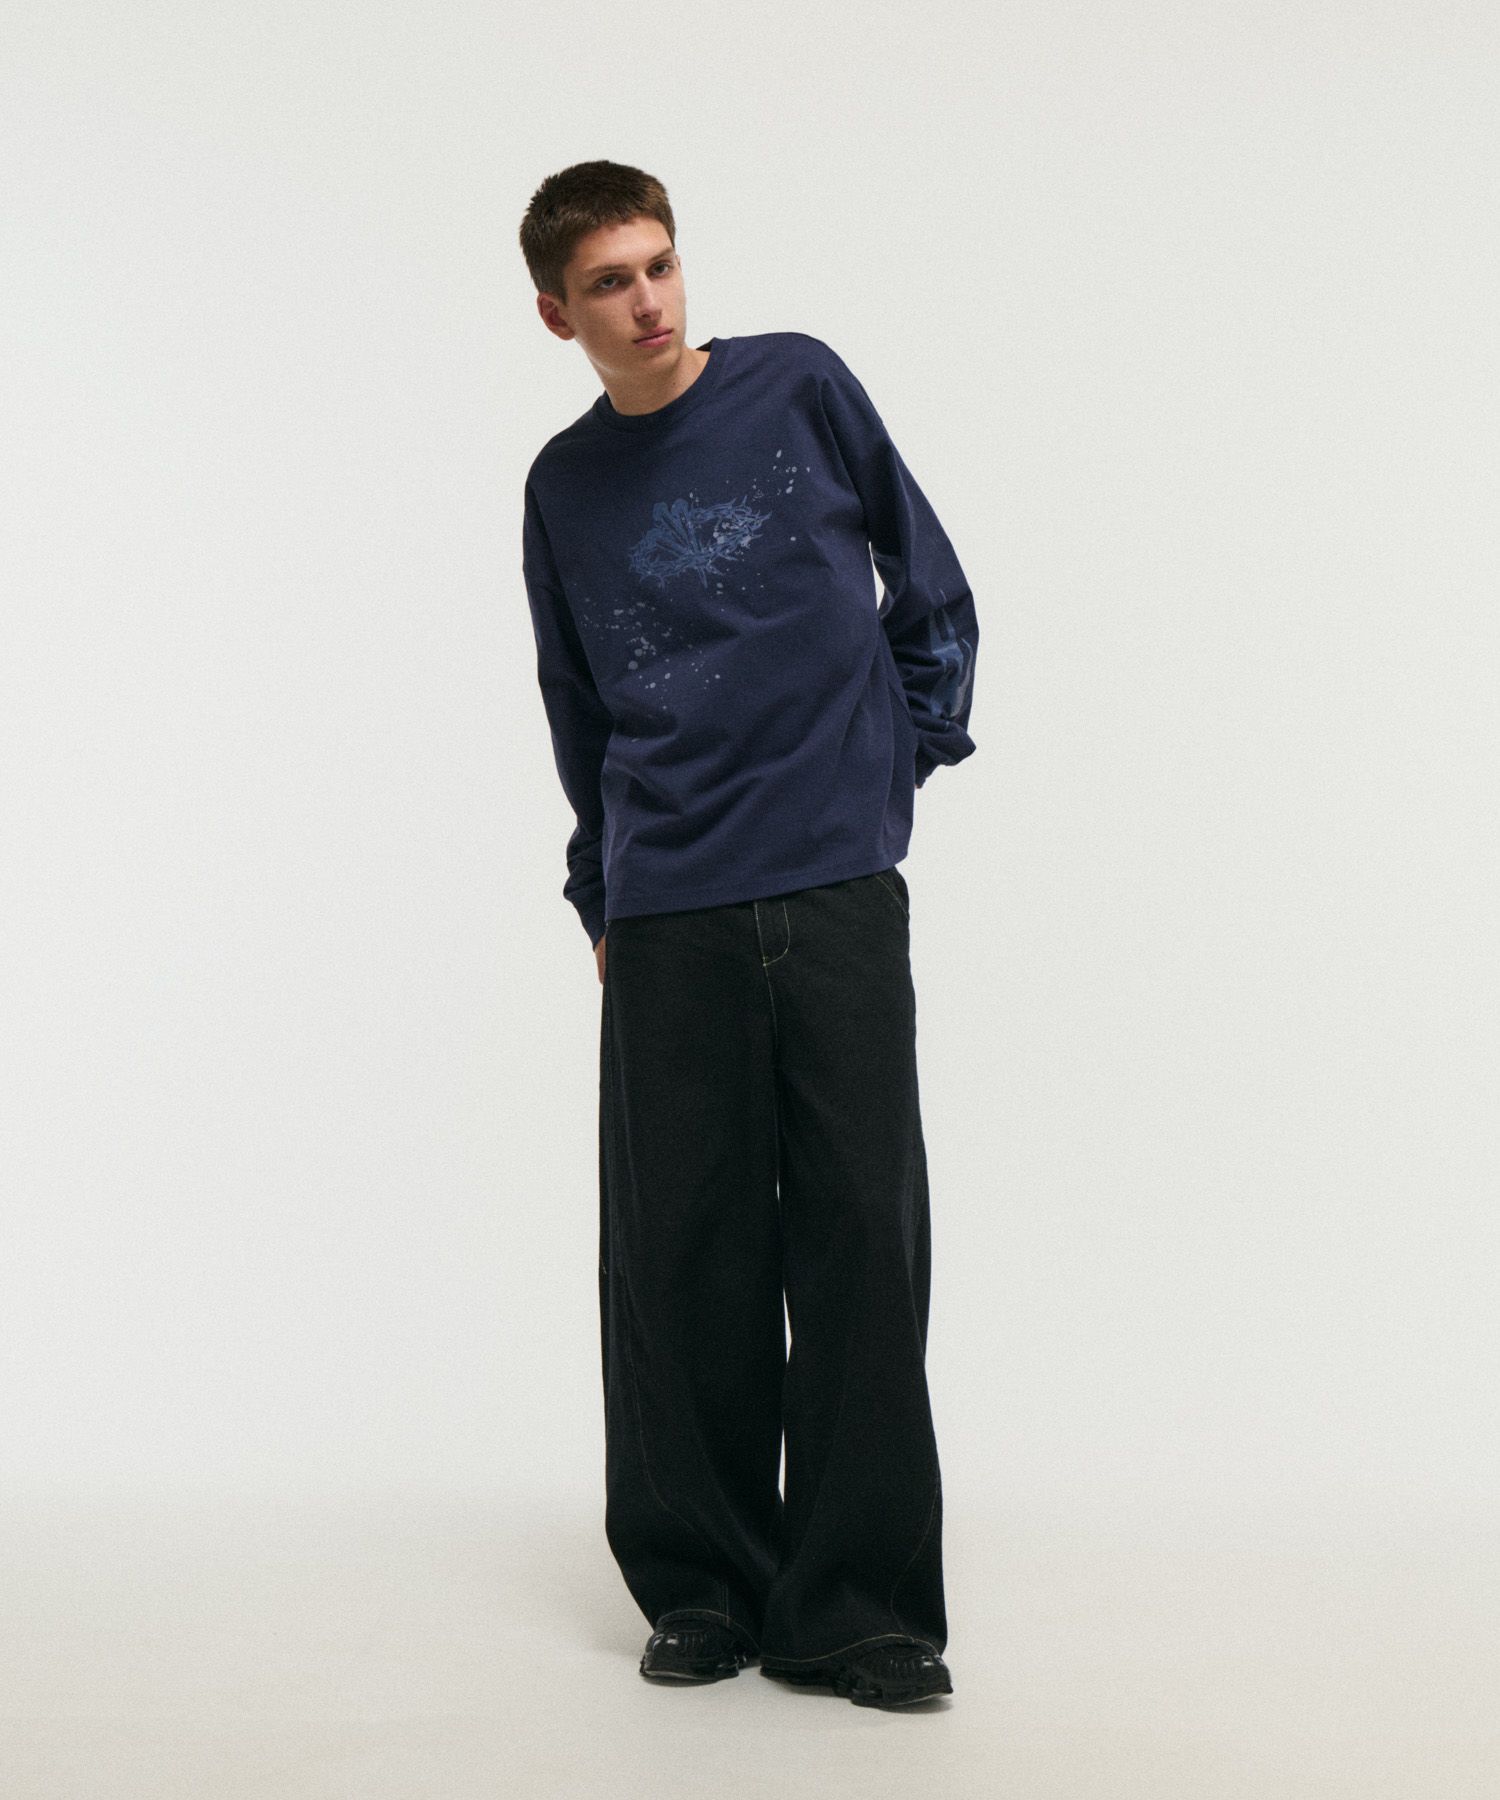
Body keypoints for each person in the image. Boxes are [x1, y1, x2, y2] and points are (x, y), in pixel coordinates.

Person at [517, 159, 977, 1711]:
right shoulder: (563, 487)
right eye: (608, 283)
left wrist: (896, 763)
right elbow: (576, 707)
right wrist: (603, 892)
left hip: (835, 885)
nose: (646, 301)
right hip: (669, 912)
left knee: (861, 1242)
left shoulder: (800, 387)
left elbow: (929, 582)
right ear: (558, 314)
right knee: (682, 1256)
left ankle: (856, 1608)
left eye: (658, 264)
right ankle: (705, 1587)